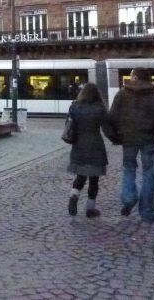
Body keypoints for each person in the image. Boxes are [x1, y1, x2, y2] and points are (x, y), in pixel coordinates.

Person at [109, 67, 154, 223]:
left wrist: (115, 136)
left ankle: (129, 199)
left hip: (128, 139)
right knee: (149, 174)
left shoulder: (122, 94)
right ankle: (147, 211)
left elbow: (112, 117)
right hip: (148, 139)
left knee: (129, 170)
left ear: (134, 77)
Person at [67, 82, 114, 218]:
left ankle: (73, 195)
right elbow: (107, 129)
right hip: (95, 145)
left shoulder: (74, 106)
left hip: (78, 145)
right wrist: (115, 139)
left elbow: (69, 126)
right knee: (94, 179)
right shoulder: (100, 108)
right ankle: (90, 208)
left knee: (80, 176)